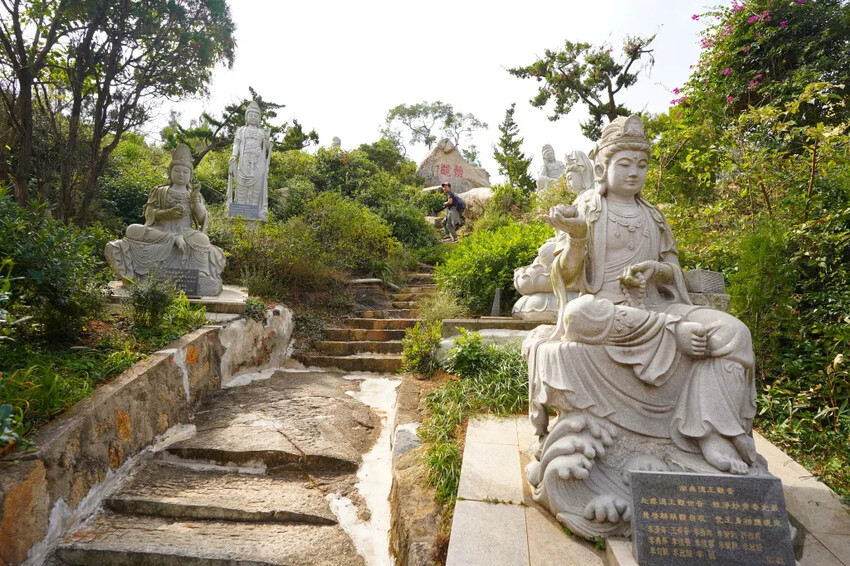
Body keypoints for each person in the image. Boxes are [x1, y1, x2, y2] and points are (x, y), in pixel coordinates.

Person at [525, 116, 758, 539]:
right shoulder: (589, 207)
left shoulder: (654, 216)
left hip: (657, 307)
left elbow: (673, 272)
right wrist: (577, 238)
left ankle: (711, 431)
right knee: (578, 315)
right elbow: (570, 278)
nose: (634, 173)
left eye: (642, 165)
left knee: (733, 332)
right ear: (603, 168)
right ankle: (672, 337)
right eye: (625, 164)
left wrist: (658, 271)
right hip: (609, 311)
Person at [105, 144, 226, 296]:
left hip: (186, 232)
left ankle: (202, 275)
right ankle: (173, 238)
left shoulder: (194, 194)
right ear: (170, 172)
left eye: (185, 171)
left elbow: (201, 219)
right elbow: (149, 213)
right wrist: (167, 213)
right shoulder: (159, 191)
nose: (181, 174)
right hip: (160, 230)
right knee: (132, 230)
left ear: (191, 175)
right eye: (177, 170)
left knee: (203, 240)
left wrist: (195, 200)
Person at [227, 100, 271, 220]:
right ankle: (240, 213)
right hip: (244, 161)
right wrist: (234, 155)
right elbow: (236, 144)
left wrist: (267, 137)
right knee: (241, 186)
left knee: (257, 188)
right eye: (250, 115)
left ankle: (254, 212)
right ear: (246, 117)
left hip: (258, 163)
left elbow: (267, 149)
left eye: (255, 116)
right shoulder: (241, 131)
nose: (253, 118)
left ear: (259, 119)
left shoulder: (261, 132)